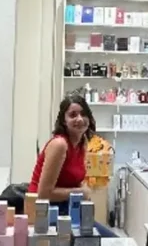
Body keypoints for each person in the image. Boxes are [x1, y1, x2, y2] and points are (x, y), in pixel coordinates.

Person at [29, 94, 115, 236]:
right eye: (73, 115)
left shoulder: (82, 143)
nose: (79, 119)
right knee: (106, 241)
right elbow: (43, 194)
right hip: (44, 213)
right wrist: (80, 192)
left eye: (83, 114)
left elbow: (74, 179)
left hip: (67, 209)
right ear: (64, 121)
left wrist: (82, 188)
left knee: (113, 241)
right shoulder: (60, 145)